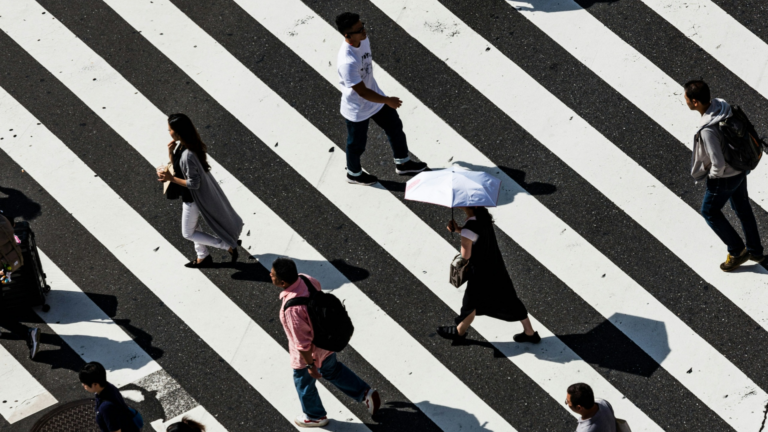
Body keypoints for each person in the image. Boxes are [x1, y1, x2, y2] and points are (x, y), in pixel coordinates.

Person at [270, 257, 380, 427]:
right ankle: (365, 393)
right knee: (333, 370)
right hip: (325, 342)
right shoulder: (306, 279)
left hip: (309, 354)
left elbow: (302, 343)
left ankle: (315, 416)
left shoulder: (293, 309)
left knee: (303, 382)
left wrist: (310, 366)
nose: (270, 275)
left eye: (273, 274)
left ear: (283, 281)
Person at [335, 12, 428, 186]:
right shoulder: (347, 62)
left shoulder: (363, 40)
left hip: (375, 97)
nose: (364, 31)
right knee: (356, 144)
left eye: (363, 26)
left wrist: (383, 99)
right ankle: (353, 174)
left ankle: (403, 163)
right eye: (359, 30)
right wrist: (387, 100)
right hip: (358, 108)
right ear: (347, 35)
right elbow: (362, 92)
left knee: (395, 127)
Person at [685, 80, 764, 271]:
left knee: (709, 211)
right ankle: (755, 250)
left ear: (695, 102)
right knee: (743, 208)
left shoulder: (708, 130)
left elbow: (717, 163)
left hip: (725, 177)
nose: (685, 101)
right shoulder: (722, 107)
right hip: (740, 168)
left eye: (686, 98)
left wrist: (713, 177)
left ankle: (737, 251)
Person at [437, 207, 540, 343]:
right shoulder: (483, 218)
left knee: (470, 304)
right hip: (495, 265)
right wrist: (459, 230)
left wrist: (462, 237)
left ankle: (459, 332)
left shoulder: (469, 228)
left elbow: (465, 255)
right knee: (510, 298)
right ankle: (530, 332)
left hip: (480, 273)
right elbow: (476, 235)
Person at [157, 114, 244, 268]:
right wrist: (171, 154)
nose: (168, 132)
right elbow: (179, 168)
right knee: (194, 226)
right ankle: (202, 256)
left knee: (188, 233)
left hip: (193, 199)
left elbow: (193, 183)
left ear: (178, 132)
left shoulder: (187, 154)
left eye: (170, 129)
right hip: (191, 196)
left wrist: (170, 178)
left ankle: (227, 246)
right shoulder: (185, 145)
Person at [80, 362, 140, 432]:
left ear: (95, 384)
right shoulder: (109, 387)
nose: (83, 385)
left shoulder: (106, 408)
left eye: (85, 383)